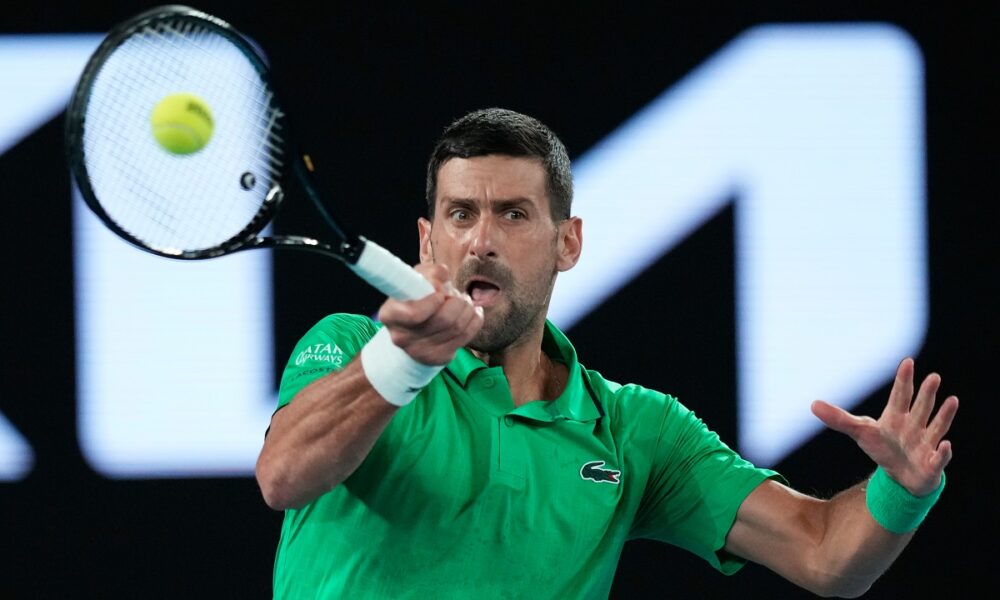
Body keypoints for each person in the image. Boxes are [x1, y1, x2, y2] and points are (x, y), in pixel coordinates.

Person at [255, 107, 957, 599]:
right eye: (460, 214)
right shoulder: (352, 347)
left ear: (569, 243)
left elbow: (825, 554)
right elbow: (283, 476)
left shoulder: (635, 431)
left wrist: (902, 490)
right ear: (427, 241)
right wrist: (403, 360)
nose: (482, 240)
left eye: (514, 214)